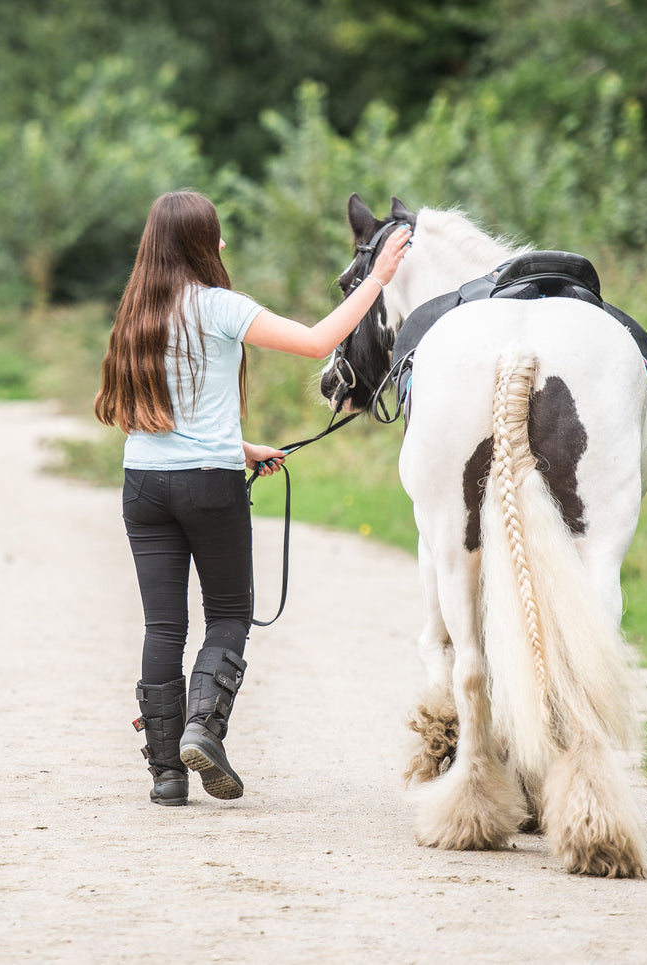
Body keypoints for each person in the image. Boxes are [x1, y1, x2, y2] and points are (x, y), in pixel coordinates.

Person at [94, 191, 411, 806]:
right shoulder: (219, 307)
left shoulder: (135, 311)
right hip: (207, 484)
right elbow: (319, 342)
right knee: (230, 613)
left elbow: (162, 413)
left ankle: (166, 774)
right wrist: (377, 278)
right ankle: (201, 729)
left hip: (144, 482)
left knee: (163, 625)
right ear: (197, 244)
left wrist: (242, 446)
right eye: (214, 235)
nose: (221, 245)